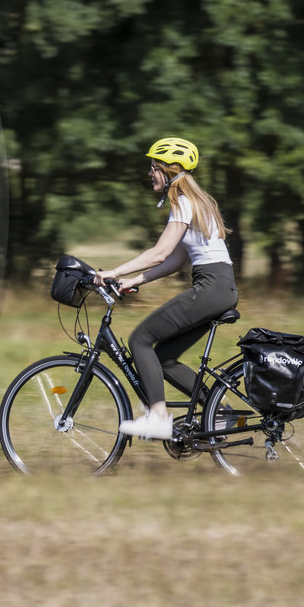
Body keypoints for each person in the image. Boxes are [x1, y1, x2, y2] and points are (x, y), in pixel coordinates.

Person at [93, 137, 237, 441]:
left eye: (153, 167)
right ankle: (221, 412)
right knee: (164, 358)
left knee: (140, 339)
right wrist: (134, 281)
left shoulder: (184, 202)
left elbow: (159, 253)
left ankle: (158, 418)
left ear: (169, 170)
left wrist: (113, 272)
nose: (149, 173)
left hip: (211, 285)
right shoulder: (195, 202)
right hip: (219, 285)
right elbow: (175, 260)